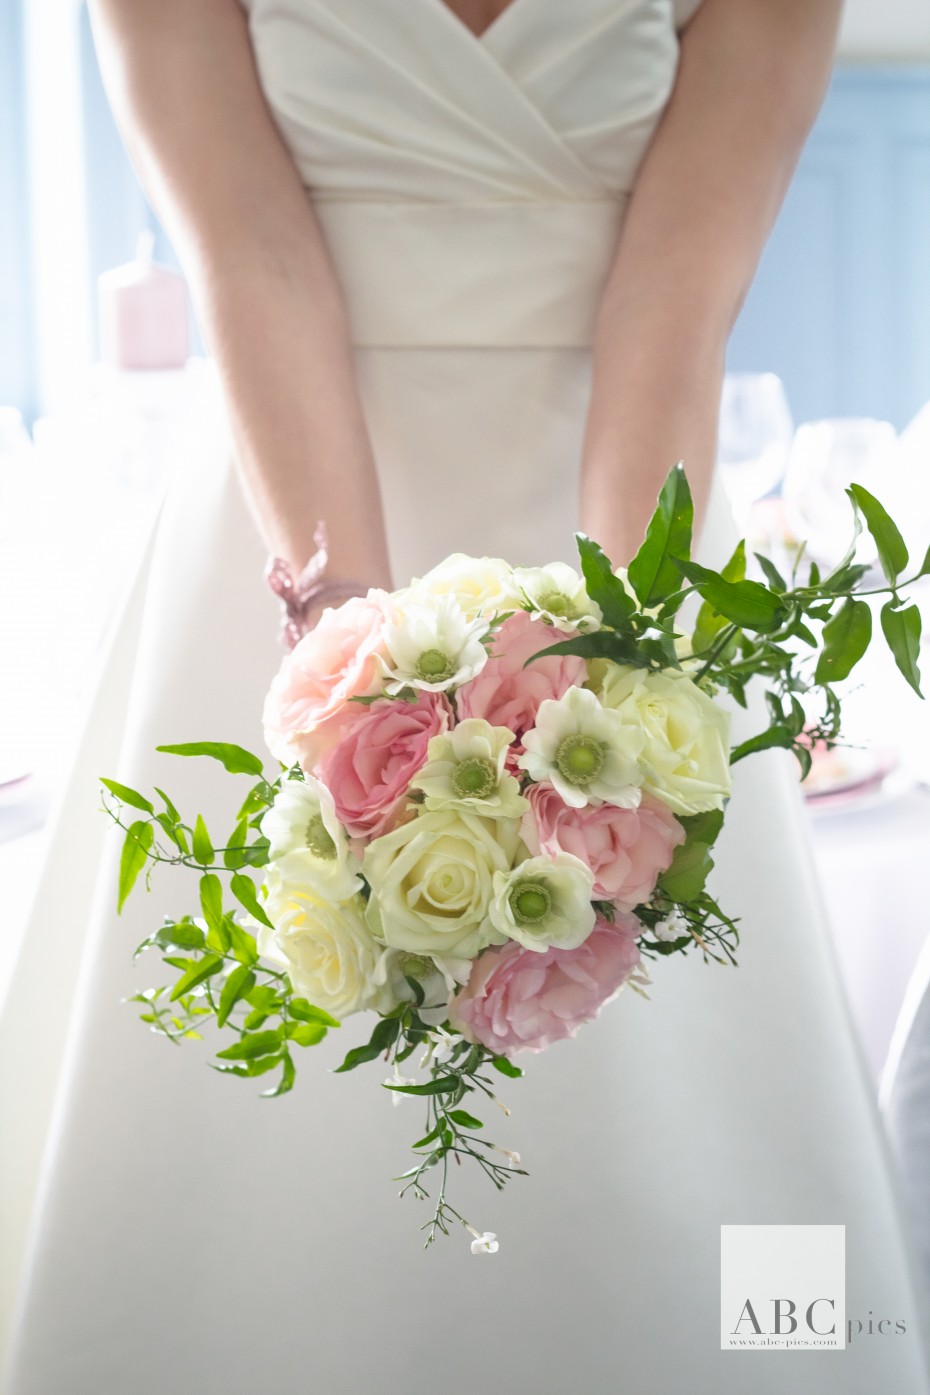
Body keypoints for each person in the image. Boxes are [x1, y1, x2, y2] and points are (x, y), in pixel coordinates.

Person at [2, 0, 928, 1390]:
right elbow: (253, 259)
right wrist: (355, 672)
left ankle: (776, 1357)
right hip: (288, 516)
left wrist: (613, 667)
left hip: (627, 518)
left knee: (707, 1107)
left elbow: (673, 302)